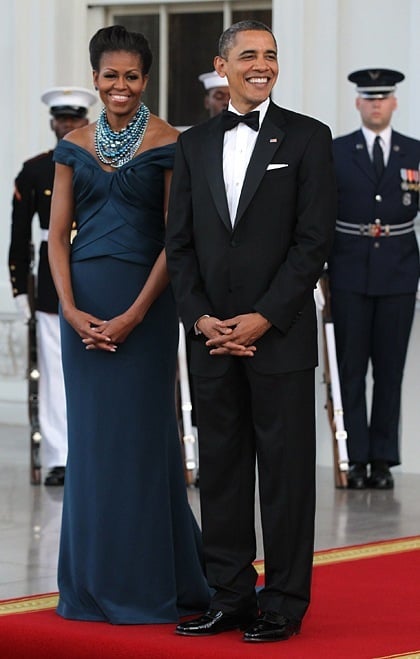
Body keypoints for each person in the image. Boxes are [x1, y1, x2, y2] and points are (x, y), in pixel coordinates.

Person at [166, 20, 336, 642]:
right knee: (223, 473)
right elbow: (179, 246)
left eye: (270, 55)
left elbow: (313, 244)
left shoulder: (310, 139)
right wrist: (202, 319)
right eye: (248, 55)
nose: (261, 65)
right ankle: (230, 596)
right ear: (222, 65)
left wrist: (264, 316)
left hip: (281, 336)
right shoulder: (194, 144)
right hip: (211, 339)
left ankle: (284, 604)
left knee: (287, 477)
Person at [47, 24, 210, 624]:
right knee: (91, 447)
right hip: (82, 309)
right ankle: (89, 587)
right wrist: (67, 307)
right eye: (110, 75)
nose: (121, 86)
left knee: (143, 444)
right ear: (95, 78)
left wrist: (137, 314)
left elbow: (177, 237)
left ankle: (148, 584)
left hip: (145, 308)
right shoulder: (73, 145)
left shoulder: (171, 141)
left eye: (132, 76)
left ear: (146, 79)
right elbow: (57, 239)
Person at [328, 69, 420, 490]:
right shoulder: (335, 152)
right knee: (350, 369)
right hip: (348, 270)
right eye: (369, 98)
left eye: (383, 98)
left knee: (390, 371)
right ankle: (355, 457)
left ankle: (383, 460)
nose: (376, 104)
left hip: (399, 273)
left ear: (395, 103)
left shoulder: (413, 152)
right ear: (358, 103)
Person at [8, 86, 97, 486]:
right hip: (50, 278)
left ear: (85, 121)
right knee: (55, 371)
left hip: (98, 266)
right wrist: (19, 288)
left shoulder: (104, 161)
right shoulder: (35, 170)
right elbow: (18, 234)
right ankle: (60, 456)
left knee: (101, 368)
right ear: (52, 123)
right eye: (62, 120)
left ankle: (97, 452)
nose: (67, 125)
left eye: (74, 119)